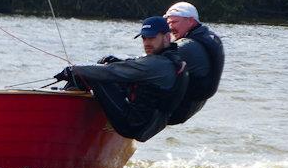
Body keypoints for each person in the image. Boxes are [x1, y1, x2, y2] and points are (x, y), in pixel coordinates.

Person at [54, 16, 188, 142]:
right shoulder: (174, 60)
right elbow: (137, 68)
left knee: (95, 76)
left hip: (133, 125)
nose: (147, 43)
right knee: (102, 74)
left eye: (152, 38)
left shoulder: (157, 64)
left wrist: (72, 70)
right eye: (144, 38)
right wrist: (118, 61)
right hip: (148, 125)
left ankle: (59, 112)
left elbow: (111, 72)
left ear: (166, 37)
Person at [163, 1, 224, 125]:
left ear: (190, 21)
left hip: (176, 110)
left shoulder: (188, 46)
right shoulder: (208, 36)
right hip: (192, 106)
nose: (170, 27)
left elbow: (151, 62)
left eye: (174, 22)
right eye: (168, 23)